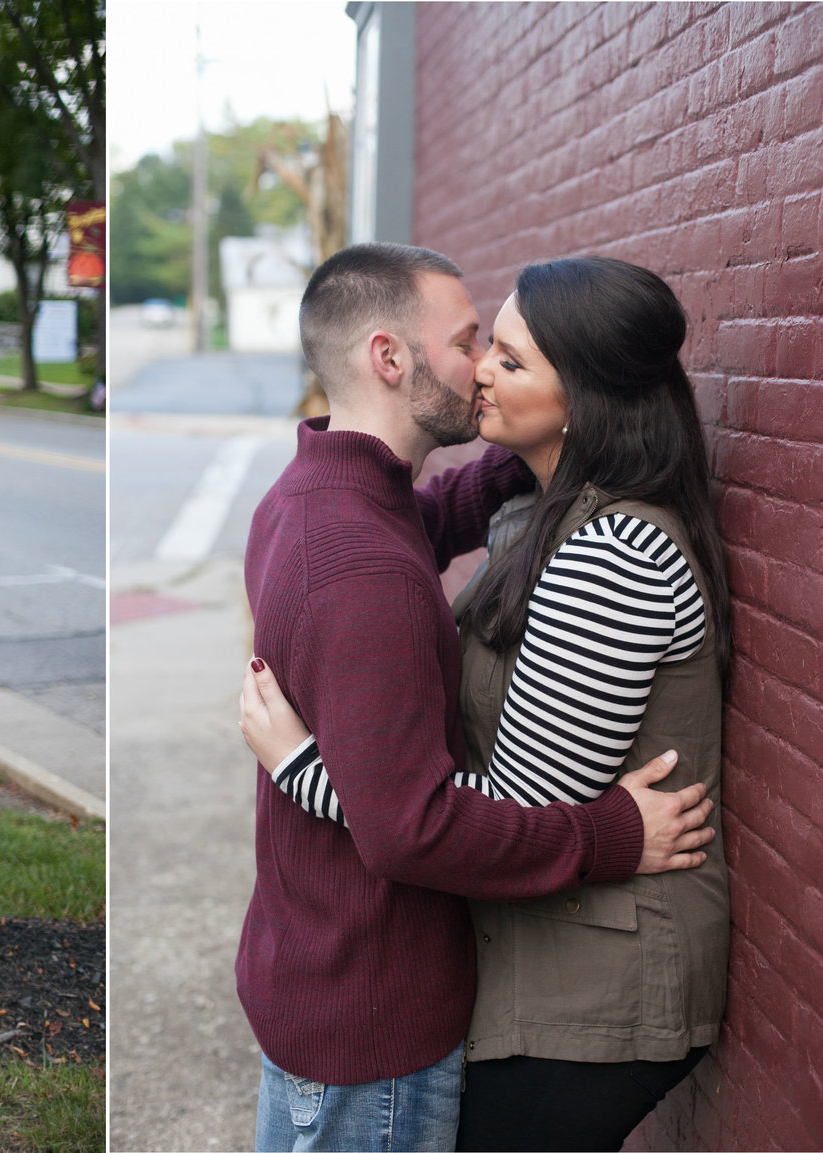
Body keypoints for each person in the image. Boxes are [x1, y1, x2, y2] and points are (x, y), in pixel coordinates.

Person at [228, 242, 716, 1152]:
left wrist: (302, 765)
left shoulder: (310, 502)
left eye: (508, 354)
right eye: (473, 343)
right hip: (365, 1000)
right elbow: (408, 826)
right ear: (391, 358)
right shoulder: (362, 558)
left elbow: (441, 508)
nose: (483, 371)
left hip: (392, 982)